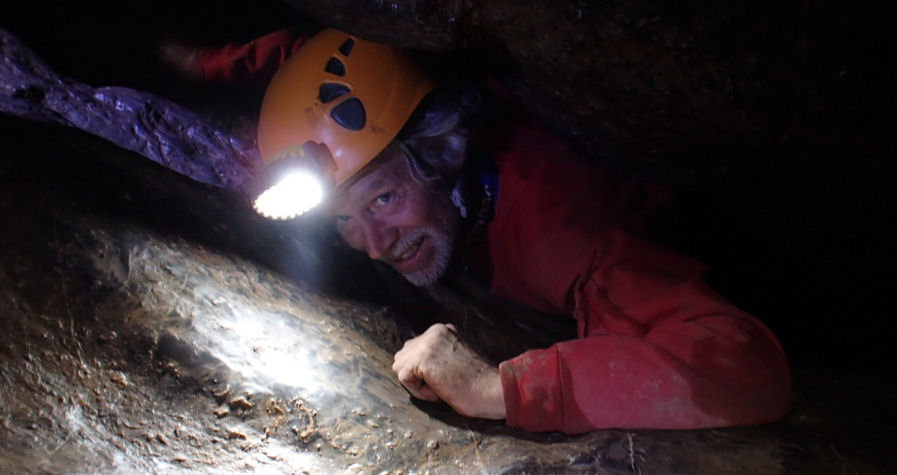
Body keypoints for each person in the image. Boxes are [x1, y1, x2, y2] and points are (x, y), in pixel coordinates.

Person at [167, 28, 791, 433]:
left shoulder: (553, 229)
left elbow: (746, 368)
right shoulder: (378, 105)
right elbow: (303, 54)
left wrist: (499, 389)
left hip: (743, 240)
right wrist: (203, 61)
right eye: (344, 220)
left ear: (441, 153)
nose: (376, 244)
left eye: (384, 198)